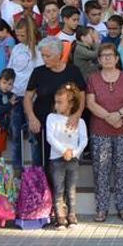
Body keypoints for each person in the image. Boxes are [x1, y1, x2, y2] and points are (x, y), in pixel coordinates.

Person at [86, 43, 123, 222]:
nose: (107, 58)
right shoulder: (93, 78)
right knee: (101, 170)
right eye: (103, 56)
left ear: (117, 58)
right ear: (99, 60)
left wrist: (119, 114)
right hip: (100, 131)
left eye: (111, 55)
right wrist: (109, 117)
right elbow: (90, 103)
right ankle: (101, 209)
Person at [25, 37, 86, 166]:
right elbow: (28, 97)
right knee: (40, 161)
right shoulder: (38, 72)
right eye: (43, 55)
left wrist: (77, 114)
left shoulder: (73, 71)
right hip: (41, 122)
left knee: (63, 164)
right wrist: (31, 117)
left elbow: (81, 95)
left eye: (48, 55)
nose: (44, 59)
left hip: (66, 125)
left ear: (58, 55)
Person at [46, 83, 88, 229]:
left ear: (70, 104)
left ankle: (72, 214)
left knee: (71, 188)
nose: (56, 105)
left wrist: (74, 153)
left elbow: (83, 140)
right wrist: (64, 150)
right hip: (57, 159)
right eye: (55, 102)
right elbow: (50, 138)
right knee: (58, 188)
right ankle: (60, 216)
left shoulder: (80, 121)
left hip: (73, 159)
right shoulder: (51, 118)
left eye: (60, 102)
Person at [7, 16, 43, 169]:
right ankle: (17, 170)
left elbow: (41, 73)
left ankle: (36, 170)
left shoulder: (39, 49)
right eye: (17, 35)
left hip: (32, 98)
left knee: (34, 136)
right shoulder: (16, 48)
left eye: (23, 35)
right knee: (16, 135)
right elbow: (10, 70)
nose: (19, 38)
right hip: (16, 96)